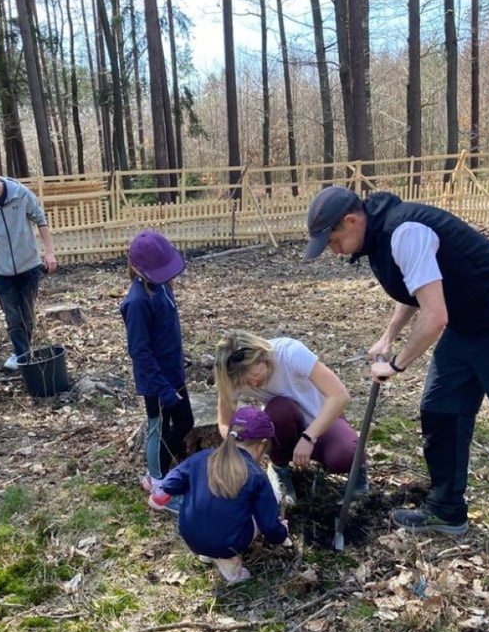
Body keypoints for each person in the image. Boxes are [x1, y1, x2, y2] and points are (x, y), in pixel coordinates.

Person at [303, 186, 489, 586]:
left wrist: (398, 364)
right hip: (466, 321)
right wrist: (389, 335)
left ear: (352, 221)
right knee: (440, 409)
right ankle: (447, 510)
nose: (334, 250)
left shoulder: (406, 230)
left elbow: (435, 316)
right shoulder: (379, 238)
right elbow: (417, 287)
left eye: (333, 241)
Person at [214, 330, 364, 502]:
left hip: (321, 418)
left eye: (256, 376)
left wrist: (309, 437)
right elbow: (225, 423)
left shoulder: (289, 352)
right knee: (279, 410)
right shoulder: (233, 377)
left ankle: (358, 475)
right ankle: (280, 468)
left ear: (263, 356)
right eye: (246, 383)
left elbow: (340, 395)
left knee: (346, 454)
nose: (254, 385)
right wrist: (238, 449)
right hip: (284, 425)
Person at [149, 407, 289, 584]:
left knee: (209, 504)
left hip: (190, 535)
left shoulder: (202, 458)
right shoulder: (256, 476)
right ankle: (229, 564)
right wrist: (282, 532)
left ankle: (207, 553)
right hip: (228, 543)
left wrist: (157, 496)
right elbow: (269, 527)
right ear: (261, 445)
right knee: (265, 504)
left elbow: (169, 485)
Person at [119, 230, 193, 508]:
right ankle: (158, 484)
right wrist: (163, 389)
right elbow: (140, 352)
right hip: (156, 381)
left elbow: (165, 332)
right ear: (138, 268)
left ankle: (161, 471)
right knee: (157, 427)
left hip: (173, 372)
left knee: (186, 422)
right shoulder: (137, 302)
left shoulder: (162, 287)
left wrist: (179, 357)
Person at [0, 157, 58, 371]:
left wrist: (50, 252)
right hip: (1, 269)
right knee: (12, 316)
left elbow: (40, 220)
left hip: (29, 265)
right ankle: (22, 356)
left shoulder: (20, 194)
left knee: (27, 313)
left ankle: (23, 352)